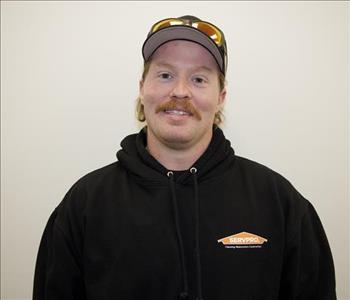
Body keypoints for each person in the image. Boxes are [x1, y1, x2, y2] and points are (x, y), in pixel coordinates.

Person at [33, 15, 337, 300]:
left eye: (199, 79)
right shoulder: (84, 204)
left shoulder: (281, 203)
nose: (180, 92)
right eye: (165, 75)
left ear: (221, 97)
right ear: (142, 88)